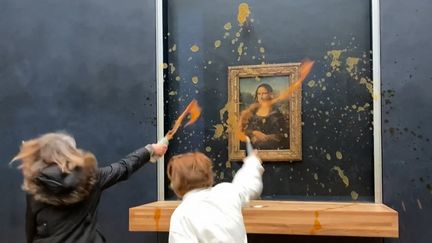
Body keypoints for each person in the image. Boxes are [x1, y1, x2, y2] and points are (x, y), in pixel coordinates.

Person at [11, 132, 167, 243]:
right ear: (70, 153)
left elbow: (30, 230)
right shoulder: (92, 177)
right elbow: (124, 167)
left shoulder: (35, 185)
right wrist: (150, 150)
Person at [167, 151, 264, 243]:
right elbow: (248, 183)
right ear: (208, 173)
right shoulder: (227, 193)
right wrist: (253, 161)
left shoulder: (181, 215)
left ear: (176, 183)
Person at [241, 83, 289, 150]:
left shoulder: (277, 114)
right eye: (259, 94)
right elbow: (244, 130)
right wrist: (253, 133)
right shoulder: (252, 113)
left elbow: (282, 135)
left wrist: (267, 138)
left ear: (270, 95)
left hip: (271, 149)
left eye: (264, 93)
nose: (261, 97)